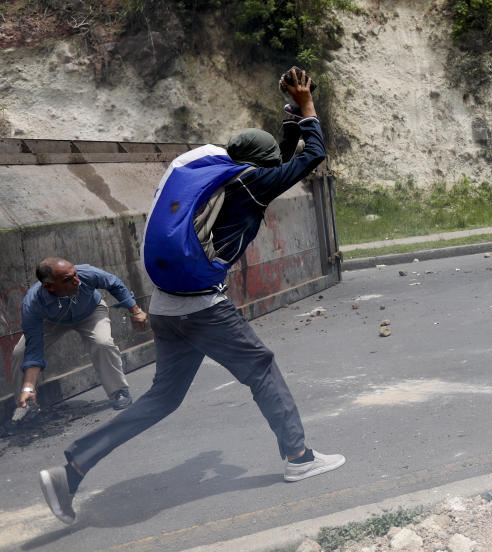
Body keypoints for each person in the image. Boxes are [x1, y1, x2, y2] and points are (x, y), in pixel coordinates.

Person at [38, 68, 344, 525]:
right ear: (256, 167)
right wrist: (306, 108)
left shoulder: (214, 172)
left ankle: (75, 467)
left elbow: (273, 161)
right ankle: (299, 456)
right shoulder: (251, 185)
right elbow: (310, 156)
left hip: (165, 305)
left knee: (162, 398)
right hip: (204, 308)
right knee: (261, 368)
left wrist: (287, 118)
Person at [13, 258, 146, 413]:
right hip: (53, 321)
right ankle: (25, 405)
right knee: (20, 353)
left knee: (102, 343)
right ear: (49, 286)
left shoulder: (86, 273)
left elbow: (114, 283)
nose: (77, 281)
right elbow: (33, 349)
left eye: (75, 275)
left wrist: (135, 310)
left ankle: (119, 392)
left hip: (91, 311)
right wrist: (29, 385)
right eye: (68, 280)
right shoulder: (32, 303)